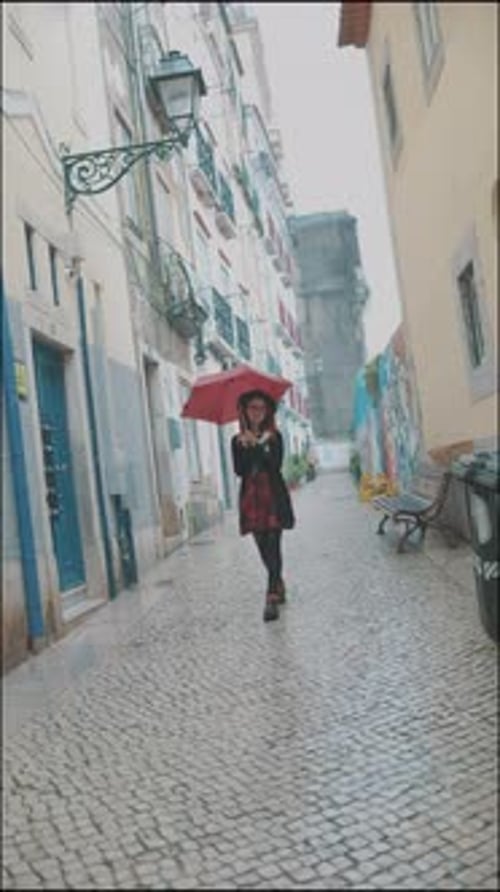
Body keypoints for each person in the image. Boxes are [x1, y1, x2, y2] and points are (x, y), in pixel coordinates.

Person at [231, 390, 295, 622]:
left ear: (267, 412)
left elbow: (274, 464)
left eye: (261, 408)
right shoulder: (237, 441)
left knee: (274, 543)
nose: (257, 412)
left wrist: (258, 445)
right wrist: (245, 446)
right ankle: (277, 581)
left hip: (272, 496)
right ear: (245, 412)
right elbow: (240, 470)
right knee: (261, 545)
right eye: (252, 408)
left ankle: (271, 598)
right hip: (251, 497)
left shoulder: (275, 437)